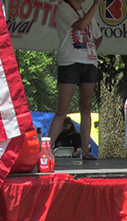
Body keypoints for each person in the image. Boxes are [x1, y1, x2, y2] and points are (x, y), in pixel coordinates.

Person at [47, 0, 102, 160]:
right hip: (69, 62)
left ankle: (86, 150)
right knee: (62, 109)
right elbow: (79, 25)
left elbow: (98, 36)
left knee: (86, 107)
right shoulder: (63, 9)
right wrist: (96, 5)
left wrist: (90, 51)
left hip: (89, 62)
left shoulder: (87, 12)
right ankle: (46, 149)